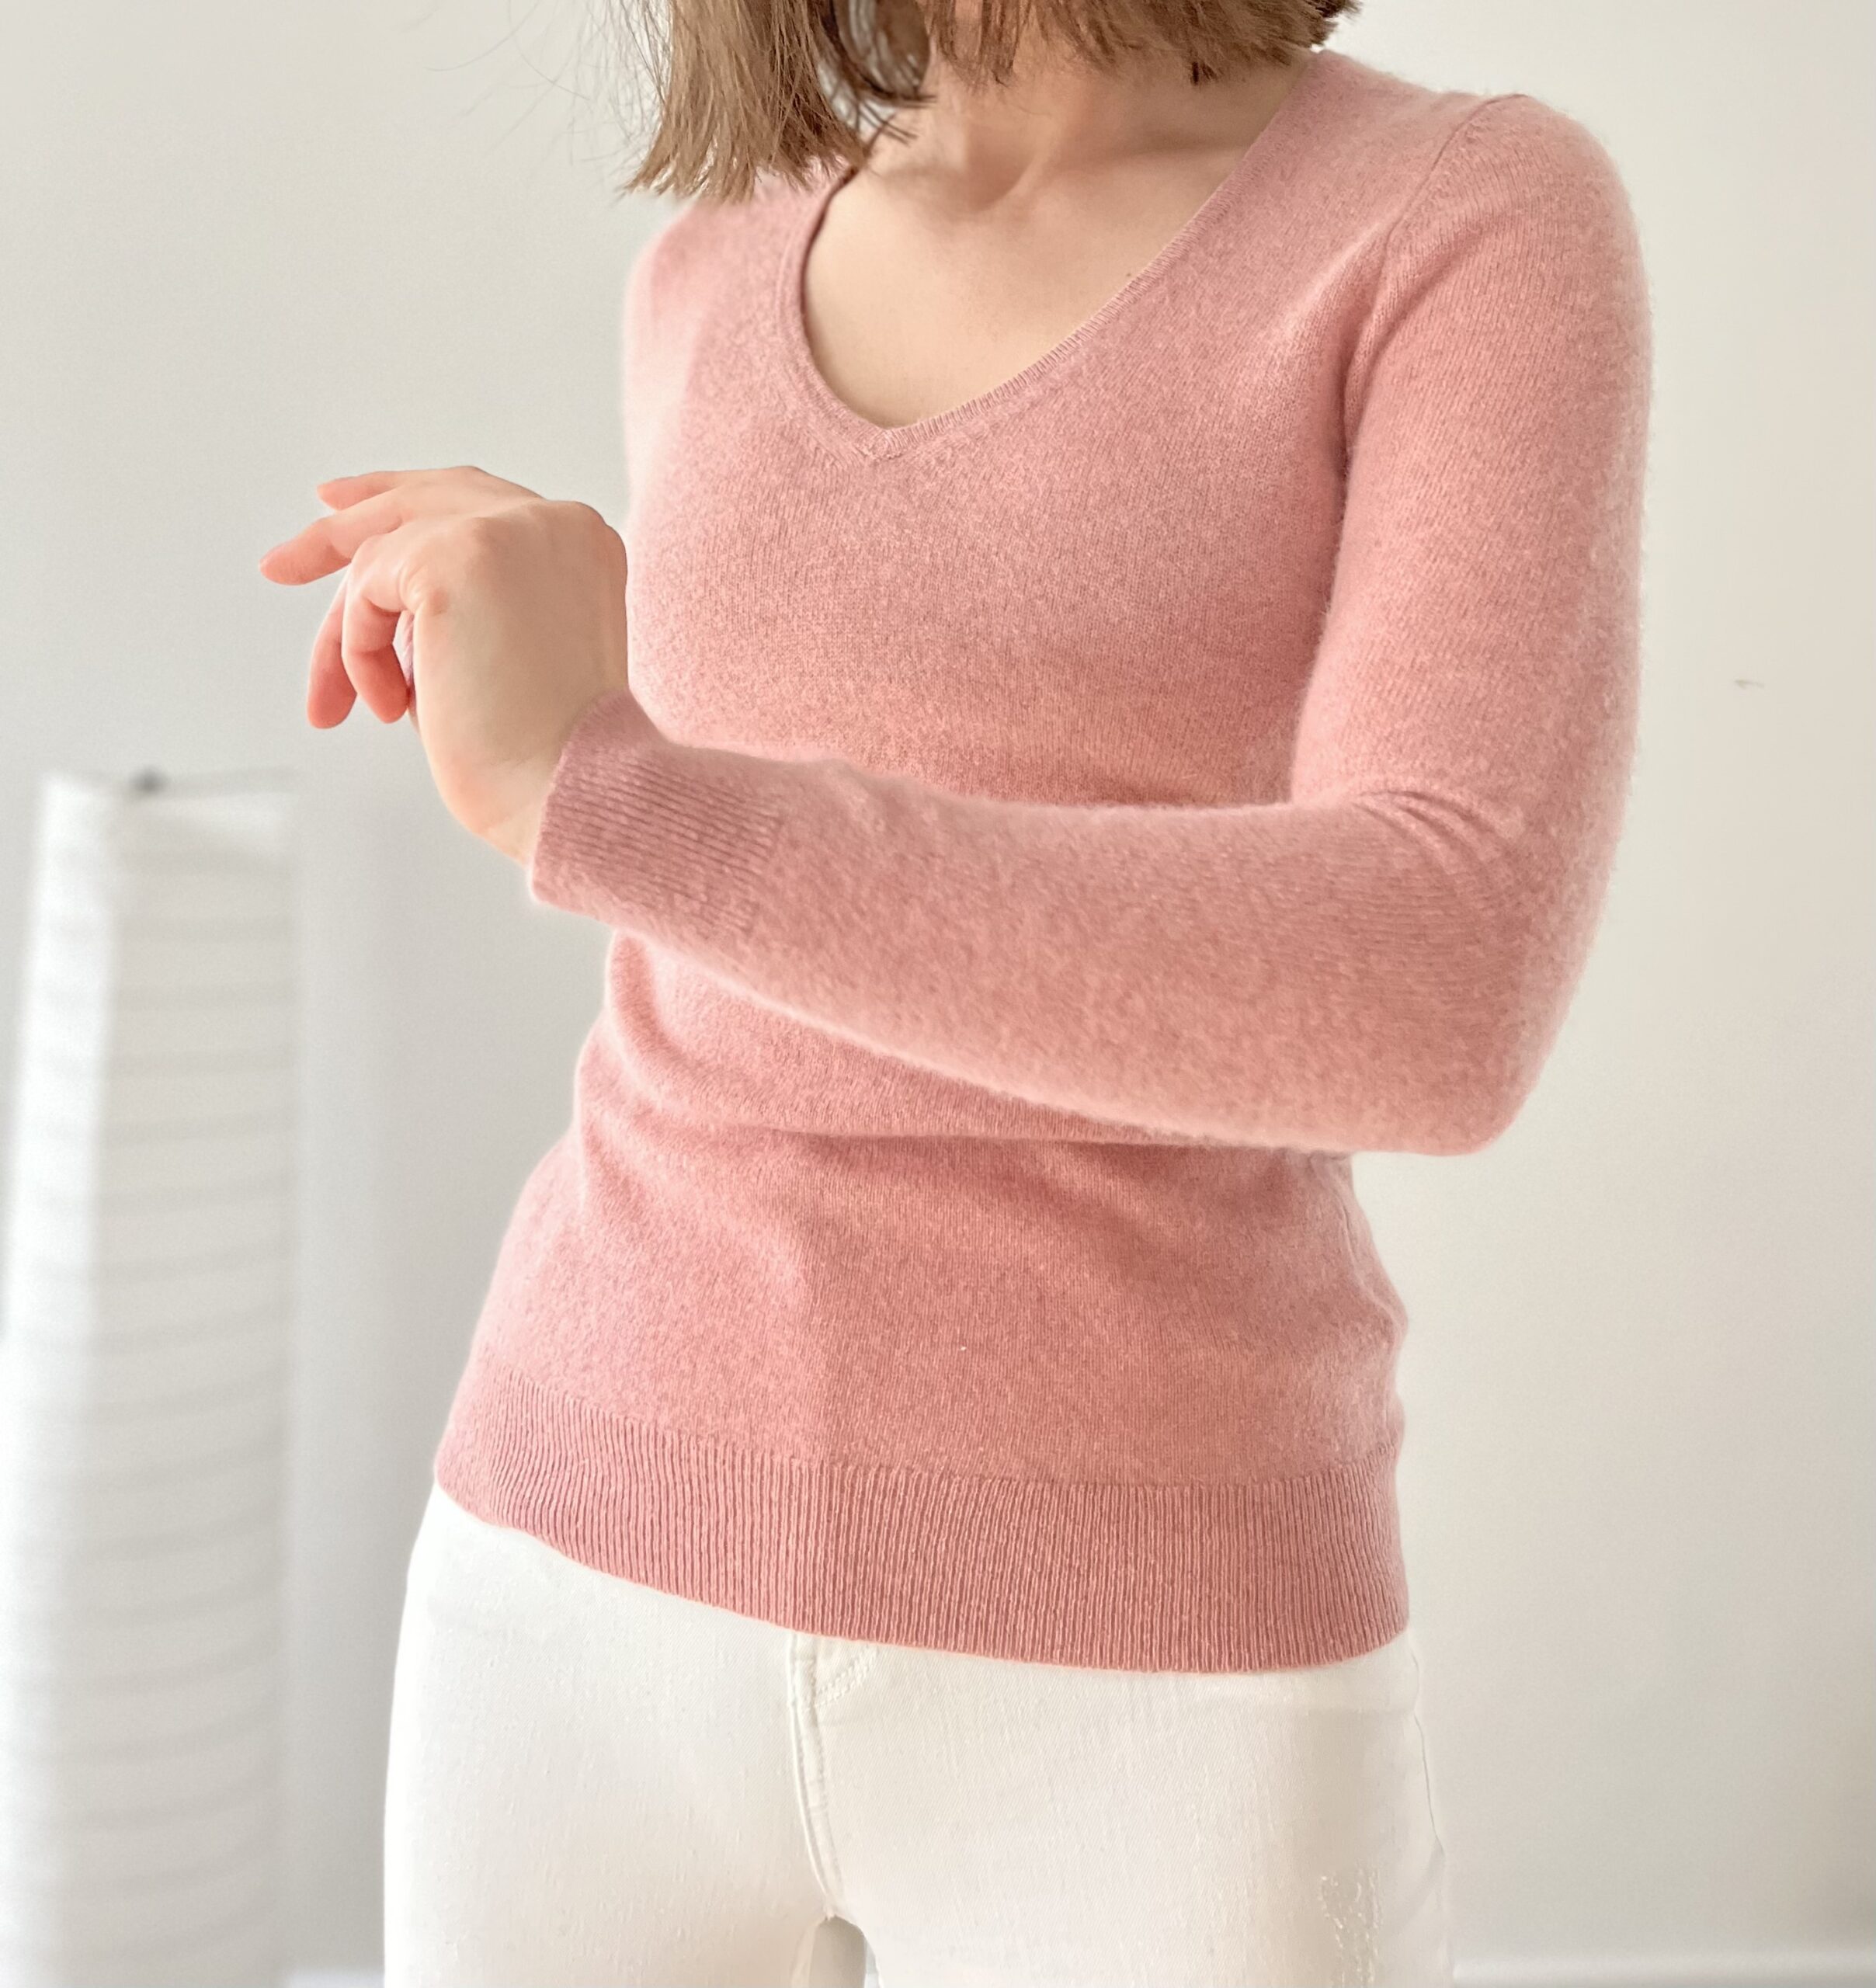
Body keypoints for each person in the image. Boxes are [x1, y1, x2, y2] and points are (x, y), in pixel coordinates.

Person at [257, 0, 1652, 1976]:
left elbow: (1434, 982)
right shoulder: (713, 256)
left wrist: (609, 789)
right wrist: (557, 694)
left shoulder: (1457, 215)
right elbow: (757, 935)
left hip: (1158, 1653)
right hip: (564, 1574)